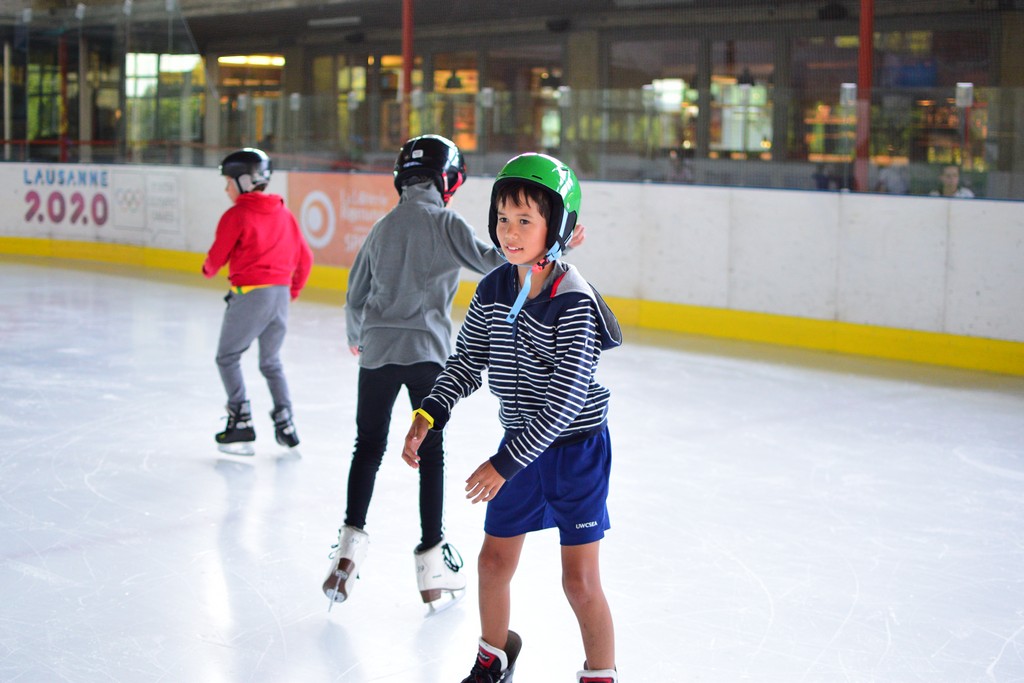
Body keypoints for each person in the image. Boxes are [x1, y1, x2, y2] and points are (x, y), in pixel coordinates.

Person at [402, 152, 622, 683]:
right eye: (503, 218)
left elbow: (566, 399)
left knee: (580, 582)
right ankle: (494, 657)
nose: (510, 231)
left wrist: (505, 463)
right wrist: (428, 413)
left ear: (558, 227)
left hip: (574, 452)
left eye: (526, 220)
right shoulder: (495, 288)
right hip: (519, 448)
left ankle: (601, 674)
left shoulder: (573, 300)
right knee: (492, 564)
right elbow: (466, 362)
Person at [202, 147, 313, 456]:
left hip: (251, 293)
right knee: (271, 362)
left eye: (227, 182)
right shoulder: (284, 214)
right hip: (278, 296)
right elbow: (306, 258)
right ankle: (285, 422)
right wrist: (291, 292)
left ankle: (240, 420)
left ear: (244, 181)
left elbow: (218, 255)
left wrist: (209, 269)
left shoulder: (237, 214)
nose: (226, 189)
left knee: (227, 357)